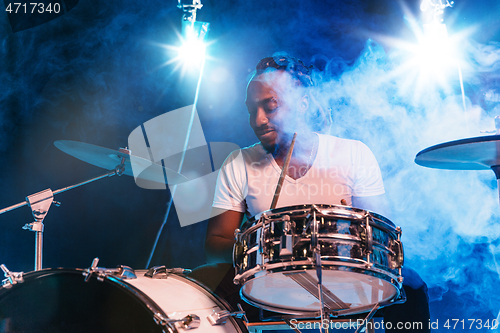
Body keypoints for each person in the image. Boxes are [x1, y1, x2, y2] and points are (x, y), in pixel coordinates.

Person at [195, 54, 430, 332]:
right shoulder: (238, 162)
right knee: (207, 293)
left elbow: (381, 241)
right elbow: (215, 245)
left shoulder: (353, 153)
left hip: (346, 278)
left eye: (270, 106)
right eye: (251, 109)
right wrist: (263, 246)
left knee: (411, 289)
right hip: (268, 282)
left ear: (302, 104)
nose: (257, 120)